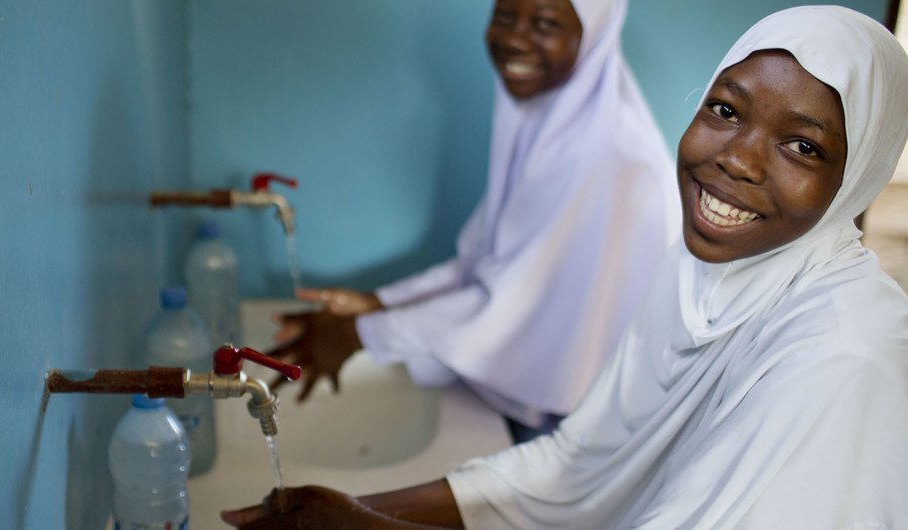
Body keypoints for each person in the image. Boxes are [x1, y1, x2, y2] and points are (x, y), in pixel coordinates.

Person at [223, 5, 908, 528]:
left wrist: (365, 523)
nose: (738, 159)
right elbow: (578, 461)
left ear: (861, 174)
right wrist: (349, 509)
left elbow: (510, 305)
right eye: (725, 109)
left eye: (803, 146)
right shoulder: (706, 271)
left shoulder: (845, 359)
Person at [271, 0, 681, 443]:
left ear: (593, 37)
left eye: (545, 23)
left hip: (588, 437)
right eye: (505, 15)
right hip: (542, 408)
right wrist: (381, 303)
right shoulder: (553, 126)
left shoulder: (614, 161)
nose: (514, 39)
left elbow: (510, 306)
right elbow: (492, 261)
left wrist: (358, 333)